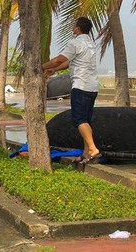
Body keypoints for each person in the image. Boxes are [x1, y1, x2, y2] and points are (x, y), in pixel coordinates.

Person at [42, 17, 100, 164]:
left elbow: (59, 59)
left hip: (80, 86)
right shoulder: (90, 44)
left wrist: (40, 66)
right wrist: (54, 70)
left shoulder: (75, 43)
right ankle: (86, 153)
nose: (73, 28)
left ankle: (93, 149)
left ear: (78, 28)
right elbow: (69, 62)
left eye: (74, 26)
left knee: (79, 120)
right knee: (86, 121)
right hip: (92, 87)